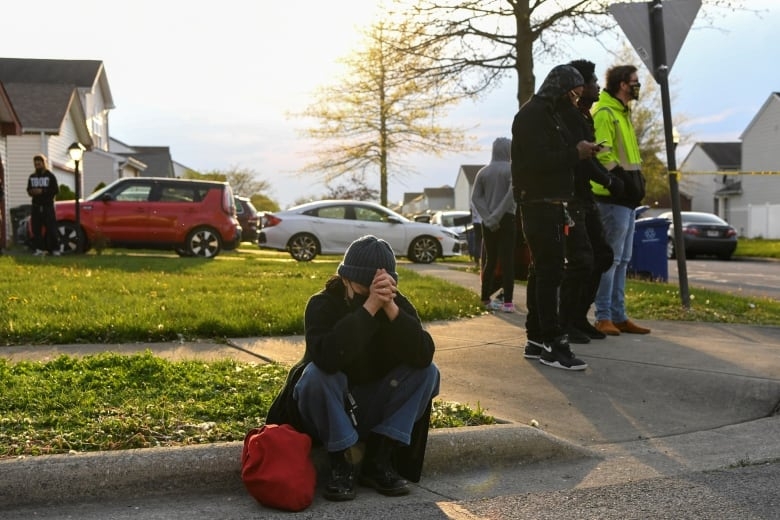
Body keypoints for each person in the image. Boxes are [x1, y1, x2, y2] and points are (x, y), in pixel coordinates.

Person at [266, 235, 440, 502]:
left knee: (428, 372)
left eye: (380, 288)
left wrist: (391, 308)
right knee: (316, 375)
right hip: (326, 407)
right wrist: (369, 308)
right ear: (345, 279)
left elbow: (423, 355)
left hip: (369, 406)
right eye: (363, 289)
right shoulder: (322, 304)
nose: (373, 296)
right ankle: (342, 462)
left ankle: (378, 459)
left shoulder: (395, 304)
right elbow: (326, 357)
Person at [511, 64, 602, 371]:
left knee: (543, 271)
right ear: (560, 90)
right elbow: (538, 161)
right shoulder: (533, 116)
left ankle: (537, 338)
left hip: (550, 203)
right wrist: (575, 153)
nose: (577, 101)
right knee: (551, 274)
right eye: (574, 95)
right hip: (539, 204)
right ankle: (554, 343)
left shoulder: (548, 114)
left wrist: (579, 150)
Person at [558, 59, 620, 344]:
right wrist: (609, 180)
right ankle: (566, 320)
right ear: (579, 87)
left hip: (586, 197)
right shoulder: (569, 116)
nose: (597, 86)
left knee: (603, 255)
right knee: (581, 260)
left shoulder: (585, 116)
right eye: (592, 81)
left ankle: (579, 316)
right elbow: (580, 160)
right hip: (572, 199)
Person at [591, 65, 651, 336]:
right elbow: (602, 153)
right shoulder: (605, 112)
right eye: (635, 81)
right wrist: (623, 183)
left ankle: (618, 315)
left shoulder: (622, 113)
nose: (638, 86)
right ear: (622, 84)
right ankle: (603, 316)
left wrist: (637, 183)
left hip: (626, 200)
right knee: (611, 259)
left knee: (623, 259)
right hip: (612, 199)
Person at [471, 137, 517, 312]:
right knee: (507, 261)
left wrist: (488, 217)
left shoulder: (483, 172)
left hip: (488, 223)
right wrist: (498, 216)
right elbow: (511, 195)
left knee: (489, 260)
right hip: (507, 219)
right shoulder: (512, 170)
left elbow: (476, 197)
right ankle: (508, 303)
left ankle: (485, 299)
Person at [27, 154, 60, 256]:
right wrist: (32, 192)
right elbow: (28, 189)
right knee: (36, 229)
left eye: (39, 163)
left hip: (47, 206)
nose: (37, 165)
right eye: (35, 163)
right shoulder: (32, 177)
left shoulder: (50, 176)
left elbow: (55, 190)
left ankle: (55, 249)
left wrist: (42, 191)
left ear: (43, 163)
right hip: (36, 206)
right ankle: (39, 249)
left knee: (51, 229)